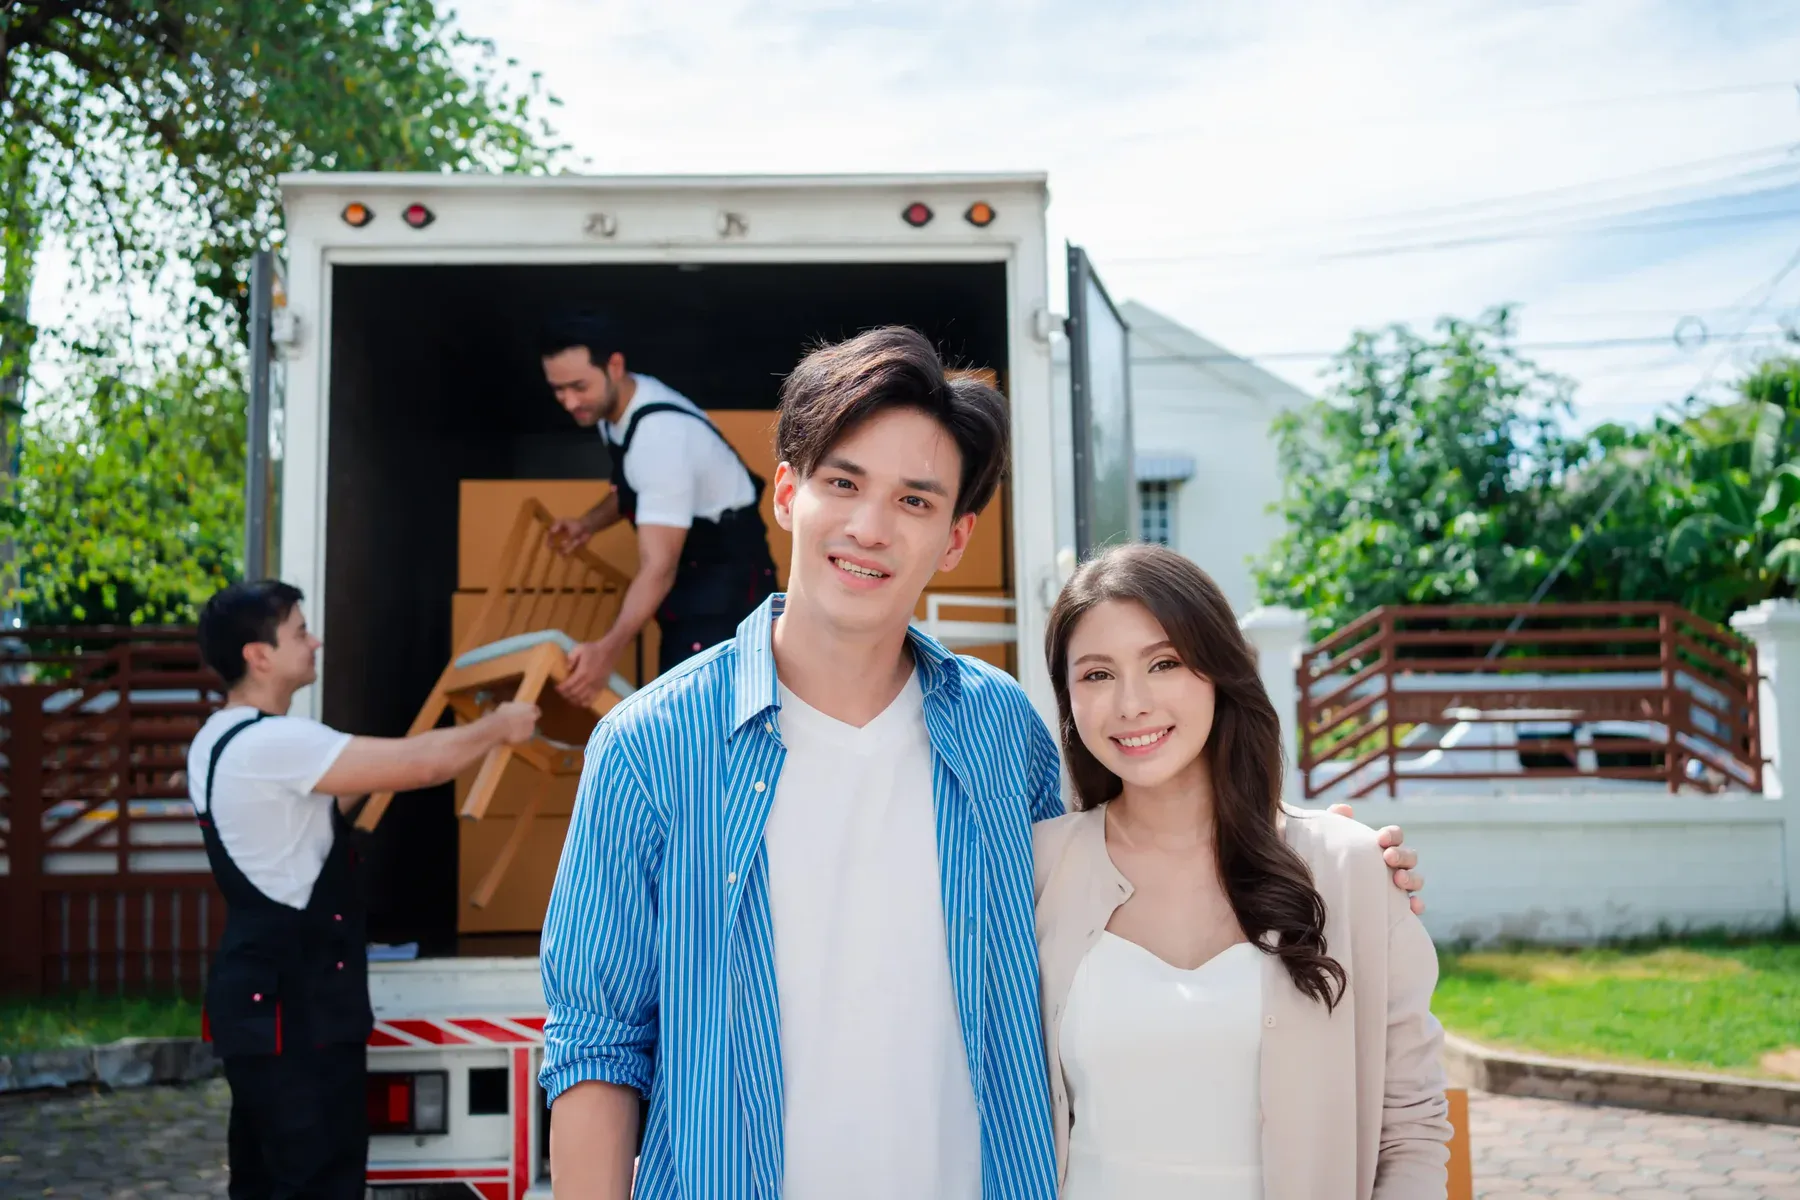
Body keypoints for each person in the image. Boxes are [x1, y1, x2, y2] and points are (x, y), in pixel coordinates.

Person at [536, 327, 1425, 1200]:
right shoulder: (651, 746)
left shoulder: (1000, 729)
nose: (870, 527)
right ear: (786, 492)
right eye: (843, 483)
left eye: (915, 501)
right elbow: (599, 1042)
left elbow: (1128, 861)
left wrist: (1320, 860)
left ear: (955, 538)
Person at [1033, 544, 1451, 1200]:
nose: (1131, 703)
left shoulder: (1349, 869)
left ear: (1219, 673)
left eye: (1163, 663)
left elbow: (1412, 1131)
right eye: (1095, 675)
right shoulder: (1036, 868)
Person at [189, 580, 539, 1200]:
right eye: (300, 631)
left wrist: (436, 744)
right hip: (296, 1011)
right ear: (258, 655)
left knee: (266, 1180)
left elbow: (342, 788)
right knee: (319, 1180)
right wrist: (497, 727)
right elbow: (420, 767)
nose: (315, 640)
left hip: (261, 1004)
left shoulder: (216, 741)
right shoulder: (277, 744)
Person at [538, 313, 778, 701]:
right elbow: (639, 486)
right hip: (690, 585)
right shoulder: (613, 408)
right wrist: (588, 524)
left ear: (614, 366)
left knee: (703, 716)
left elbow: (659, 565)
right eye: (558, 390)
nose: (569, 401)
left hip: (727, 590)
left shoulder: (659, 437)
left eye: (578, 387)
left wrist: (607, 650)